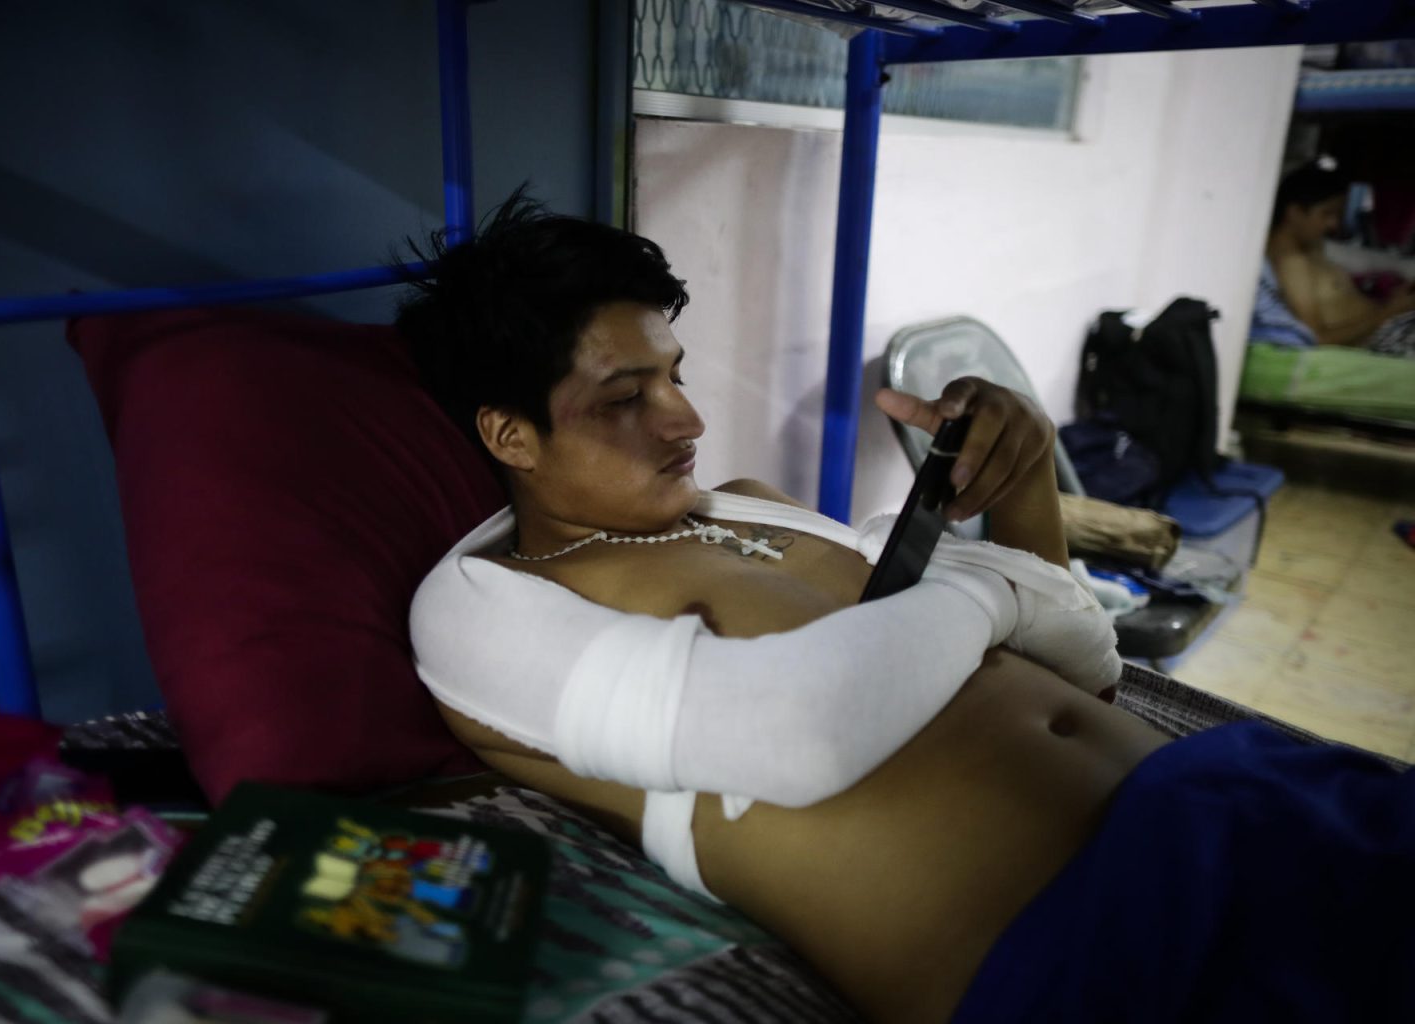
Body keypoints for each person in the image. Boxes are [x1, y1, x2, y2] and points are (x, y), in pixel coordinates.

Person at [401, 194, 1414, 1023]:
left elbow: (1084, 659)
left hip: (1240, 796)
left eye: (675, 373)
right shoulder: (485, 603)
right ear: (510, 434)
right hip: (1093, 950)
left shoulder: (752, 504)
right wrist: (983, 586)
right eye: (624, 398)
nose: (686, 417)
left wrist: (1016, 485)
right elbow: (793, 731)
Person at [1258, 160, 1415, 356]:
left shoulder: (1313, 246)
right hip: (1383, 337)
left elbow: (1362, 261)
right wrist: (1388, 312)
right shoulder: (1291, 263)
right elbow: (1316, 339)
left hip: (1391, 326)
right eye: (1327, 213)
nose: (1334, 224)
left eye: (1338, 214)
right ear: (1295, 212)